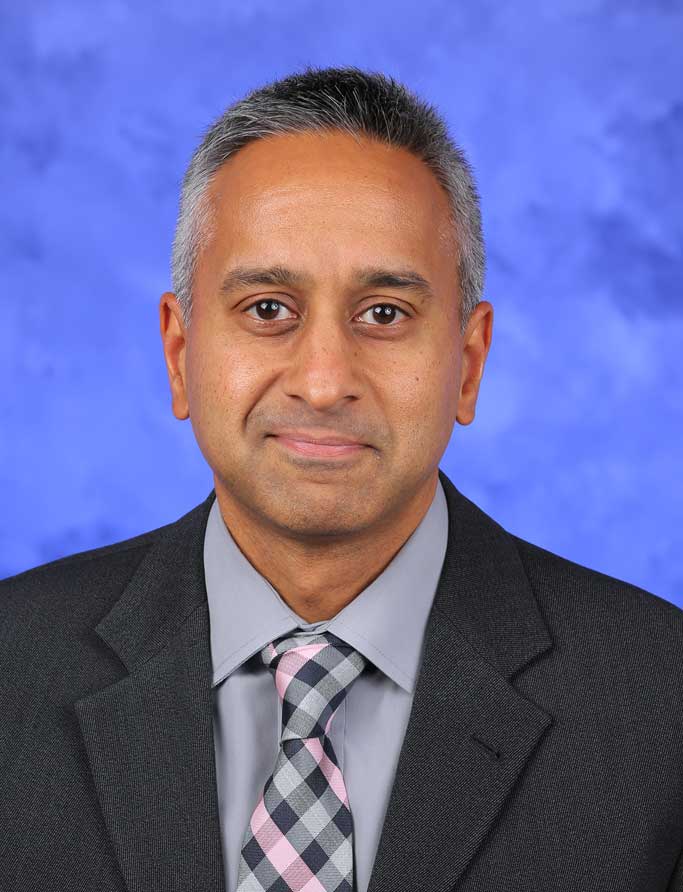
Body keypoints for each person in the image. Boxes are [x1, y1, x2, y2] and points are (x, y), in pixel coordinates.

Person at [1, 65, 681, 892]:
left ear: (467, 364)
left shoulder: (660, 703)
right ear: (180, 355)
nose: (323, 381)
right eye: (267, 309)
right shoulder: (12, 669)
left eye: (384, 315)